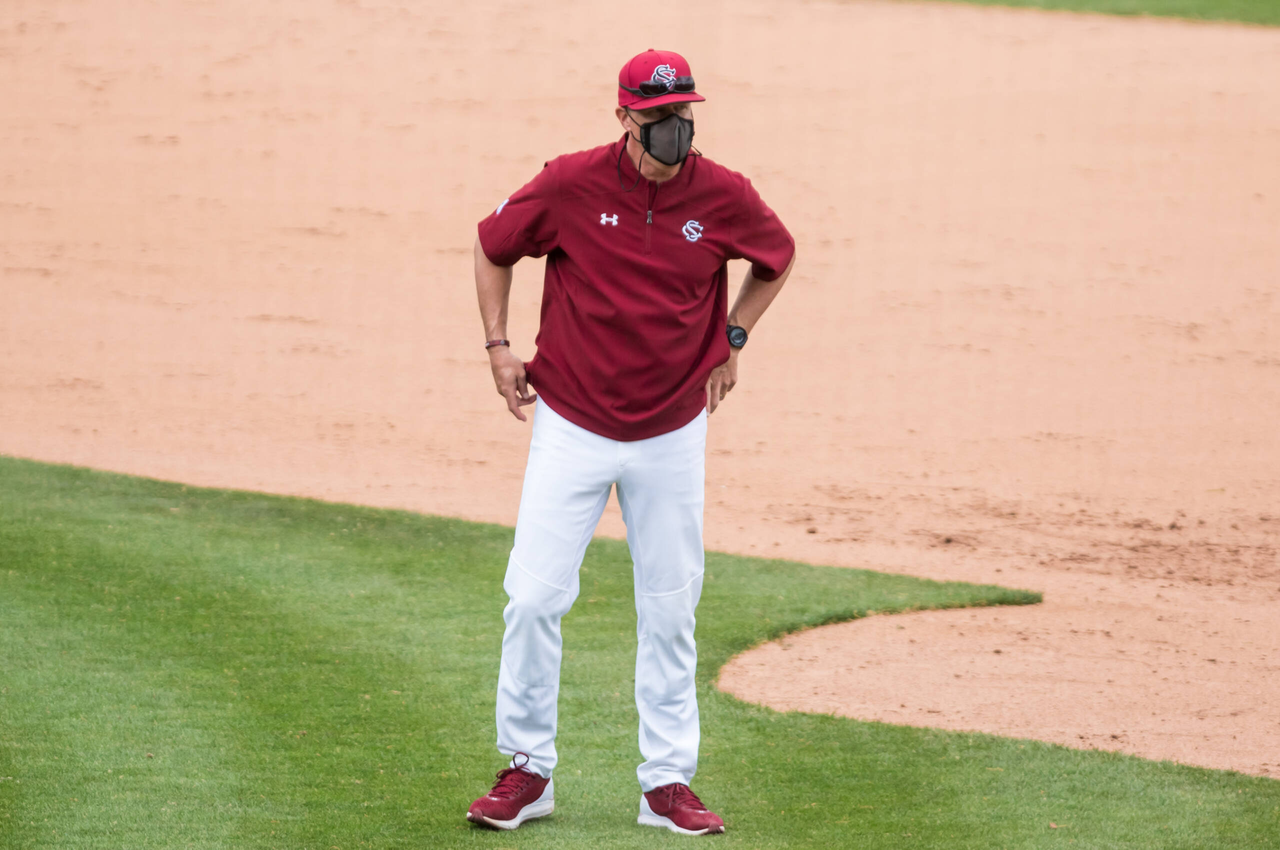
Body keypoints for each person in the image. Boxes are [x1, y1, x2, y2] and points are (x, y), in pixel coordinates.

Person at [466, 48, 795, 836]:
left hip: (672, 431)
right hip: (571, 421)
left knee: (670, 607)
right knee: (534, 599)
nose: (673, 132)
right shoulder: (570, 182)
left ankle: (667, 782)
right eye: (656, 119)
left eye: (683, 116)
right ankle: (527, 770)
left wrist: (734, 334)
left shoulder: (724, 195)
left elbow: (776, 258)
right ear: (624, 118)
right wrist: (498, 345)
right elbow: (492, 243)